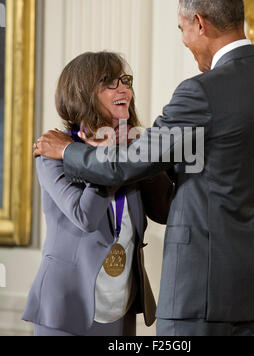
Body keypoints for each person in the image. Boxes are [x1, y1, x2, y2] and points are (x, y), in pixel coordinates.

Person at [33, 0, 254, 336]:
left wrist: (68, 150)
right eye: (109, 83)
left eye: (182, 29)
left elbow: (126, 165)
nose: (185, 41)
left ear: (200, 23)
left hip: (201, 292)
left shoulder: (201, 92)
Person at [24, 52, 174, 336]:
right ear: (82, 94)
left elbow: (164, 211)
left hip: (121, 305)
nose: (124, 89)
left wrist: (142, 155)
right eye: (109, 82)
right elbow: (85, 216)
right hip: (66, 307)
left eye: (125, 81)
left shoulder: (132, 150)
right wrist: (109, 156)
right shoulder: (52, 152)